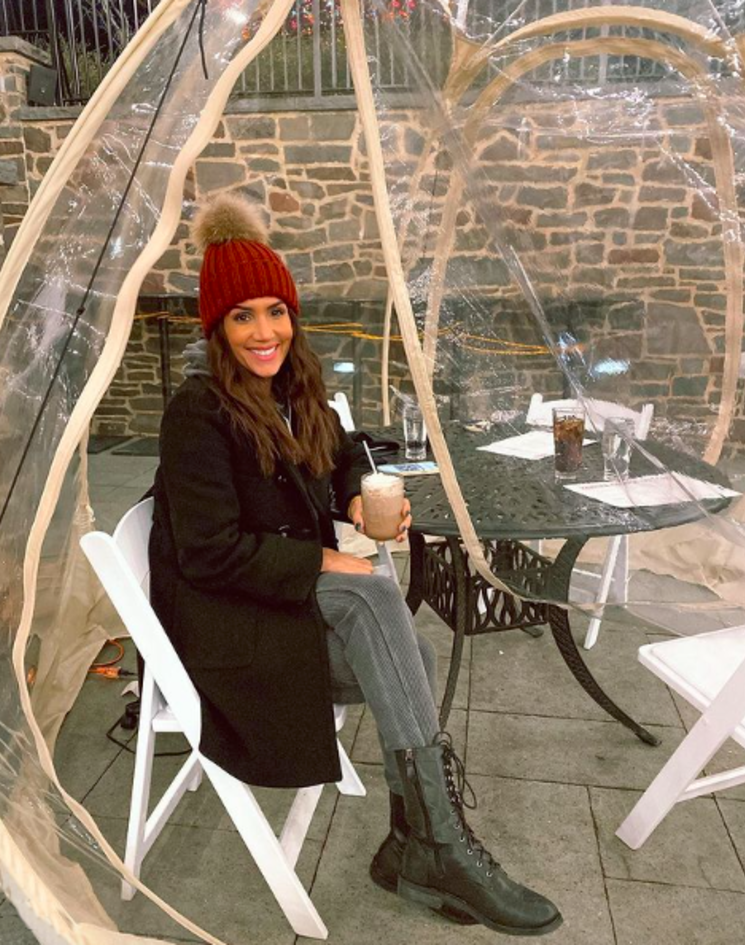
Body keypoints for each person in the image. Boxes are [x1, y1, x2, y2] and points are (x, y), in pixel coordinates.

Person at [148, 194, 561, 936]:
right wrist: (324, 555)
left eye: (275, 310)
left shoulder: (290, 390)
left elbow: (340, 454)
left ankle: (414, 841)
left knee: (413, 651)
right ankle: (441, 847)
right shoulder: (197, 413)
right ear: (218, 326)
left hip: (273, 611)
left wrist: (363, 496)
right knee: (371, 597)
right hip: (225, 635)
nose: (264, 330)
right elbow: (208, 554)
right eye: (243, 315)